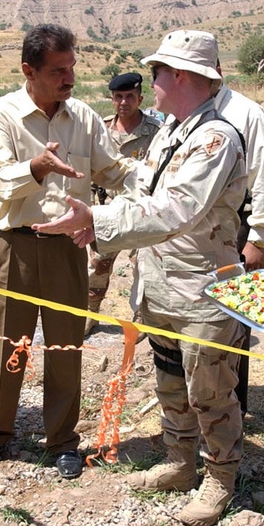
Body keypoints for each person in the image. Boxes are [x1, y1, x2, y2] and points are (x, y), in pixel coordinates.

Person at [35, 29, 248, 526]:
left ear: (179, 76)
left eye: (156, 73)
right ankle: (179, 462)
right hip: (161, 284)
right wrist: (99, 170)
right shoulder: (175, 132)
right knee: (171, 379)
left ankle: (220, 479)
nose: (150, 82)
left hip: (202, 291)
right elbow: (143, 183)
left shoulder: (215, 138)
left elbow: (177, 208)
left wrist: (96, 223)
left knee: (211, 390)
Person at [0, 24, 141, 480]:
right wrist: (36, 167)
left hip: (69, 248)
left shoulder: (82, 118)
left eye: (71, 69)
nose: (68, 79)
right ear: (28, 70)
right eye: (57, 71)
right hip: (15, 246)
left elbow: (112, 170)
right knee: (7, 343)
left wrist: (165, 183)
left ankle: (63, 440)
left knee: (66, 344)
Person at [212, 64, 264, 415]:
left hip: (236, 227)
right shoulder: (182, 113)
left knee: (235, 323)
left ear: (218, 71)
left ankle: (233, 410)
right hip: (193, 231)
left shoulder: (246, 113)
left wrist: (258, 238)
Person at [85, 72, 161, 335]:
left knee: (143, 267)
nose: (124, 102)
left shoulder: (156, 132)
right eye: (119, 97)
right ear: (112, 99)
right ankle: (90, 313)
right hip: (106, 211)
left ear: (140, 98)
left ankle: (142, 319)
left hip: (141, 212)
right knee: (96, 266)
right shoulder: (101, 129)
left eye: (130, 97)